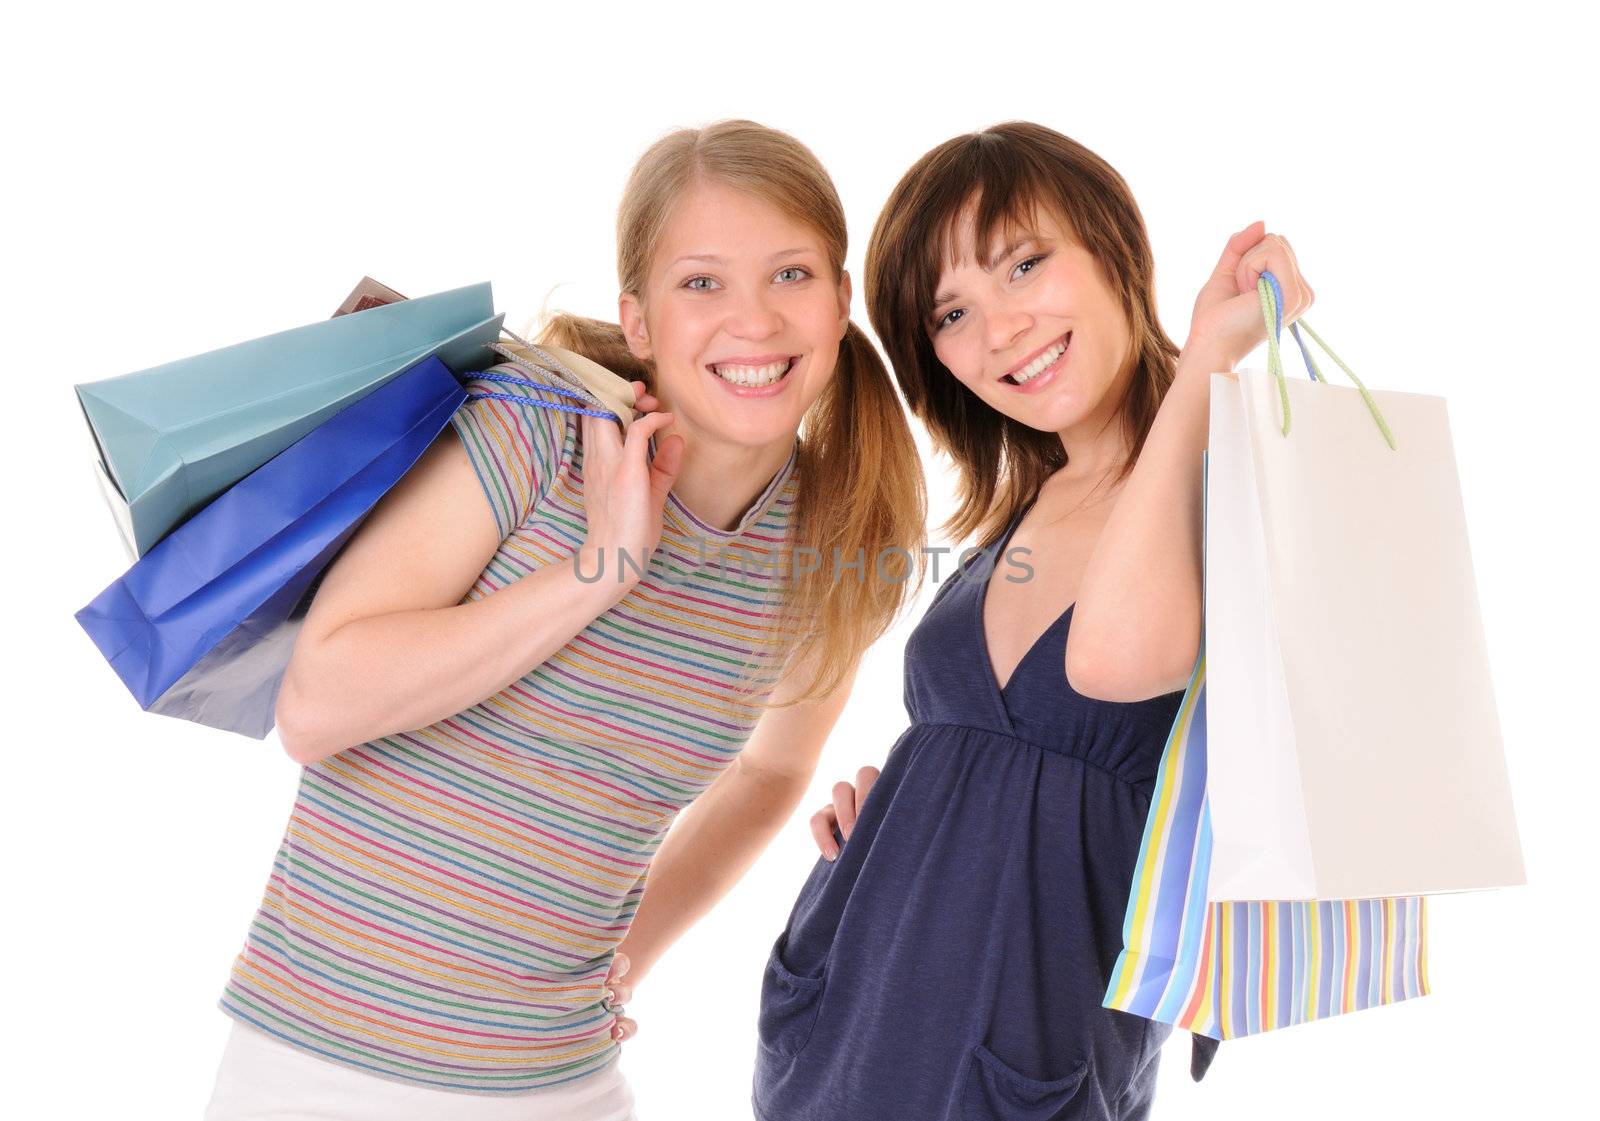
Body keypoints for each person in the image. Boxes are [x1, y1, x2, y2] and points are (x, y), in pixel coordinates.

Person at [202, 119, 925, 1120]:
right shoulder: (535, 426)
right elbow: (318, 704)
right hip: (321, 1068)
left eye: (791, 275)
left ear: (841, 301)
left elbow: (770, 770)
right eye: (702, 282)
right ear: (638, 319)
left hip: (562, 1086)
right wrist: (598, 571)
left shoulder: (832, 545)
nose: (753, 321)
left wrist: (635, 946)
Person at [752, 121, 1312, 1120]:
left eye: (1023, 263)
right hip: (851, 1023)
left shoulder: (1227, 469)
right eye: (950, 312)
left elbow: (1106, 662)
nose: (999, 329)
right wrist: (909, 812)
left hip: (1015, 1059)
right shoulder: (1027, 502)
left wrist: (1203, 369)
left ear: (1113, 249)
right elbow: (997, 752)